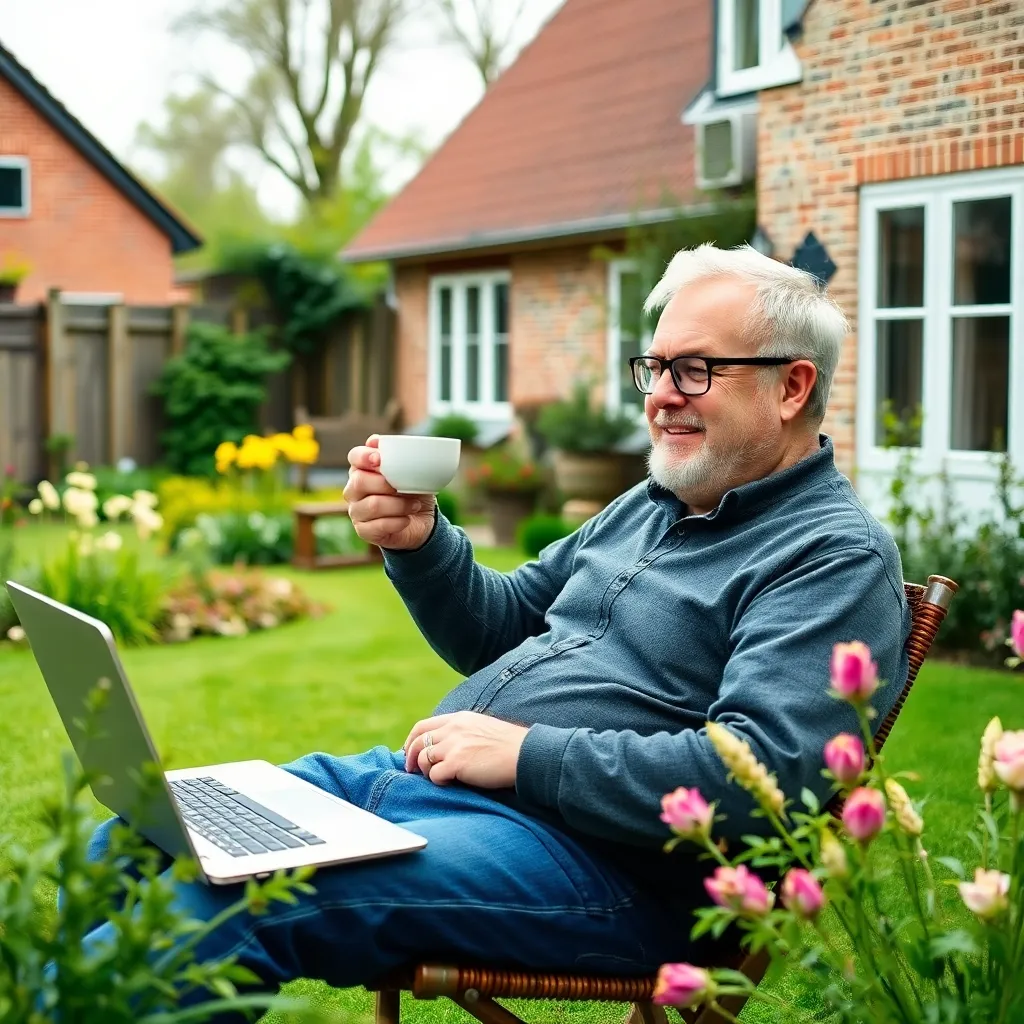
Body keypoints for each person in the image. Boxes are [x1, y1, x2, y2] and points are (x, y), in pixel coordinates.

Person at [80, 244, 910, 1016]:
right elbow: (504, 626)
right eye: (654, 367)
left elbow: (765, 776)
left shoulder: (830, 556)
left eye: (694, 370)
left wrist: (526, 754)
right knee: (144, 832)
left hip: (602, 868)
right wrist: (420, 542)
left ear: (792, 387)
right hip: (435, 793)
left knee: (246, 889)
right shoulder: (653, 503)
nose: (660, 395)